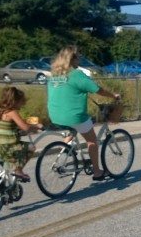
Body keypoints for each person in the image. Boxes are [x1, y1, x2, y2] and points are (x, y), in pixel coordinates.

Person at [47, 46, 120, 181]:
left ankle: (63, 153)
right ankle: (98, 172)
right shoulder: (77, 74)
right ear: (72, 59)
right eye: (78, 57)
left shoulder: (55, 76)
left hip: (55, 115)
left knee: (73, 129)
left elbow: (69, 92)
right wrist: (113, 96)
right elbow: (97, 89)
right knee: (91, 140)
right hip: (74, 116)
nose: (79, 60)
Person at [0, 86, 41, 181]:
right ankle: (18, 171)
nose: (22, 105)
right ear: (15, 101)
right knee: (31, 147)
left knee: (7, 165)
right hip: (6, 147)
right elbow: (26, 127)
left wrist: (5, 127)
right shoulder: (12, 112)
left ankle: (3, 185)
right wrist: (36, 126)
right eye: (21, 102)